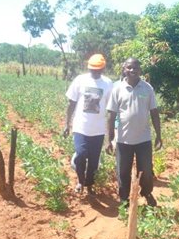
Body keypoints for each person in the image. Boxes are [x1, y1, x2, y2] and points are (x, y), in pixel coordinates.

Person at [106, 57, 162, 207]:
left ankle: (147, 193)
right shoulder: (117, 88)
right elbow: (111, 115)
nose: (132, 70)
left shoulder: (147, 88)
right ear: (124, 69)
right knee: (122, 172)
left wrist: (159, 135)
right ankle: (124, 200)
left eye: (135, 68)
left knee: (146, 170)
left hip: (143, 139)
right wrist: (109, 139)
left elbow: (154, 112)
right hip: (123, 139)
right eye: (129, 67)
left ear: (140, 70)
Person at [63, 54, 113, 195]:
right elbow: (71, 103)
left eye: (98, 69)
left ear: (103, 68)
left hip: (98, 129)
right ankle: (80, 180)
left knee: (93, 160)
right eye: (92, 69)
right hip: (81, 127)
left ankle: (89, 185)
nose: (95, 72)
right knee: (81, 154)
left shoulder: (108, 83)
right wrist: (67, 124)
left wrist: (111, 133)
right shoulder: (80, 80)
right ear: (88, 68)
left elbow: (110, 108)